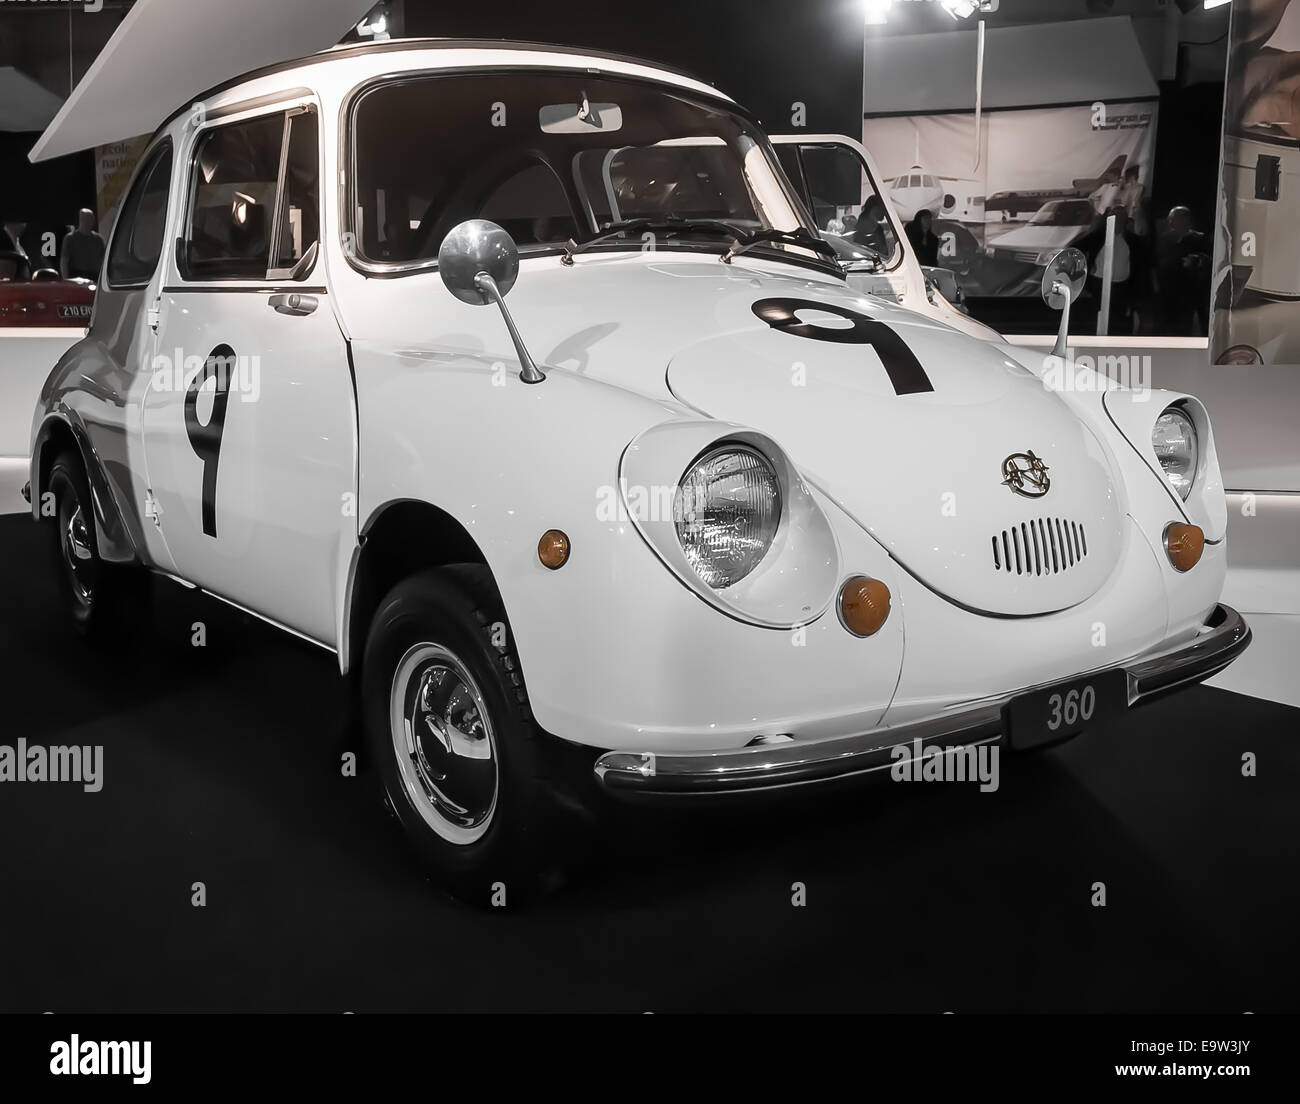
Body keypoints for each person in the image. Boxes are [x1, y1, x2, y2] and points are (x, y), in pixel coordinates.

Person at [1154, 206, 1212, 335]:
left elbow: (1210, 260)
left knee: (1187, 326)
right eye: (1169, 219)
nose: (1170, 222)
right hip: (1168, 291)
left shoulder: (1199, 239)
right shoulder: (1165, 239)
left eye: (1173, 219)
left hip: (1190, 292)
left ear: (1185, 220)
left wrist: (1197, 260)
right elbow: (1156, 261)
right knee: (1168, 327)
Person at [60, 208, 106, 281]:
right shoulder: (70, 238)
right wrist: (66, 280)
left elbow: (104, 260)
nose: (88, 222)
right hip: (76, 276)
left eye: (90, 219)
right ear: (81, 220)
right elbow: (64, 261)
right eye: (85, 219)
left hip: (94, 276)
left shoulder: (98, 239)